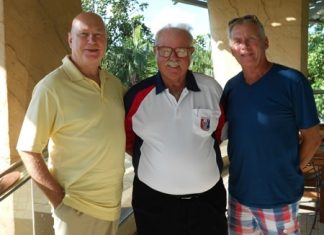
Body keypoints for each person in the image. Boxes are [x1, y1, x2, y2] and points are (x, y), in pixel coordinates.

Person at [16, 12, 125, 235]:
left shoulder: (113, 84)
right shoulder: (51, 87)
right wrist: (60, 203)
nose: (92, 41)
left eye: (98, 35)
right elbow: (27, 148)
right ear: (70, 40)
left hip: (113, 207)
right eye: (84, 34)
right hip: (76, 211)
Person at [124, 24, 228, 235]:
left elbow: (217, 134)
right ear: (155, 52)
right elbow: (129, 142)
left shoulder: (212, 89)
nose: (173, 57)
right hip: (155, 206)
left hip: (207, 203)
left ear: (191, 53)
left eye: (181, 50)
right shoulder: (137, 96)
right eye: (165, 50)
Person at [222, 15, 321, 234]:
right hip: (239, 197)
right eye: (238, 41)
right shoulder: (231, 88)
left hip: (279, 197)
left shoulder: (292, 81)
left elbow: (313, 137)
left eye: (251, 39)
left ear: (265, 42)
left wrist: (291, 169)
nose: (244, 46)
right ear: (232, 49)